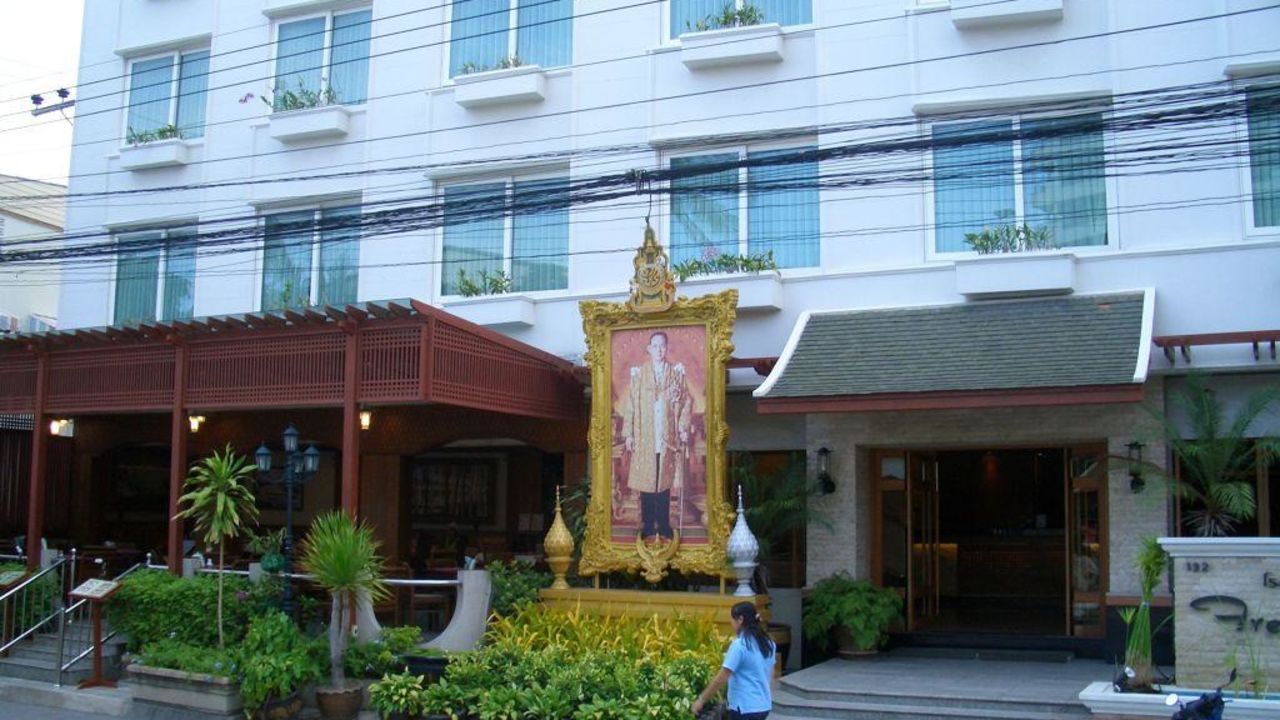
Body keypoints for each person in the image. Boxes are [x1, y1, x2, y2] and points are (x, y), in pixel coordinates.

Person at [620, 330, 694, 543]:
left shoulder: (676, 374)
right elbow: (631, 405)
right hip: (645, 436)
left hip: (666, 436)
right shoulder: (639, 375)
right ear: (649, 349)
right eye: (655, 346)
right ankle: (648, 525)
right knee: (647, 482)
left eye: (662, 346)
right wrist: (629, 434)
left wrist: (682, 428)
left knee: (663, 482)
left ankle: (663, 524)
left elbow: (686, 401)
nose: (659, 350)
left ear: (666, 348)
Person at [692, 602, 775, 720]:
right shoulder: (769, 644)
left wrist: (701, 699)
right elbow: (771, 674)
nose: (731, 623)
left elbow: (722, 677)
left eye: (732, 619)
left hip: (744, 707)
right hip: (763, 705)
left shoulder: (740, 645)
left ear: (740, 619)